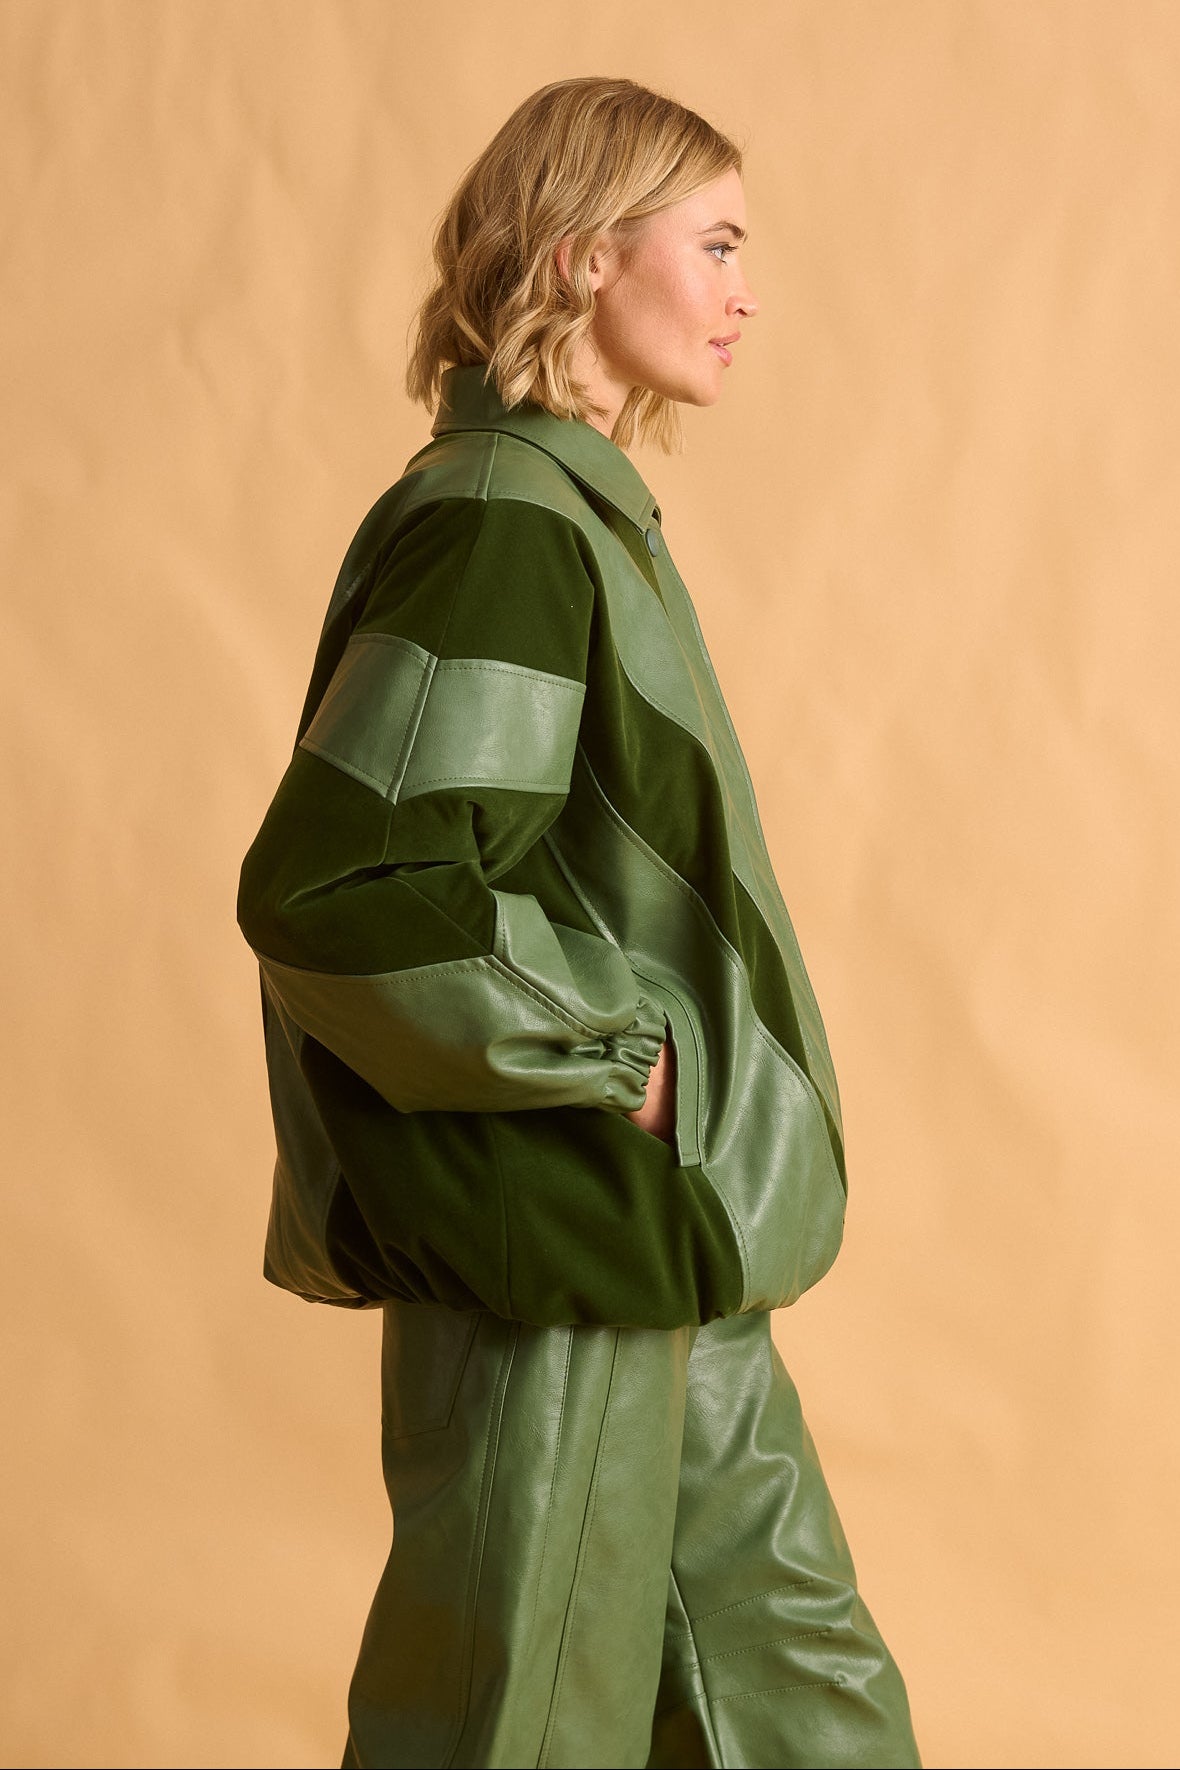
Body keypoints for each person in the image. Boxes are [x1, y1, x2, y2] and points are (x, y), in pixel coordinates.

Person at [237, 75, 922, 1770]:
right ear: (582, 256)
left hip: (658, 1246)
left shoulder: (574, 519)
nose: (746, 291)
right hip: (554, 1244)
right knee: (518, 1729)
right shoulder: (500, 522)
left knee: (803, 1708)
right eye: (717, 244)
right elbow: (347, 888)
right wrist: (628, 1058)